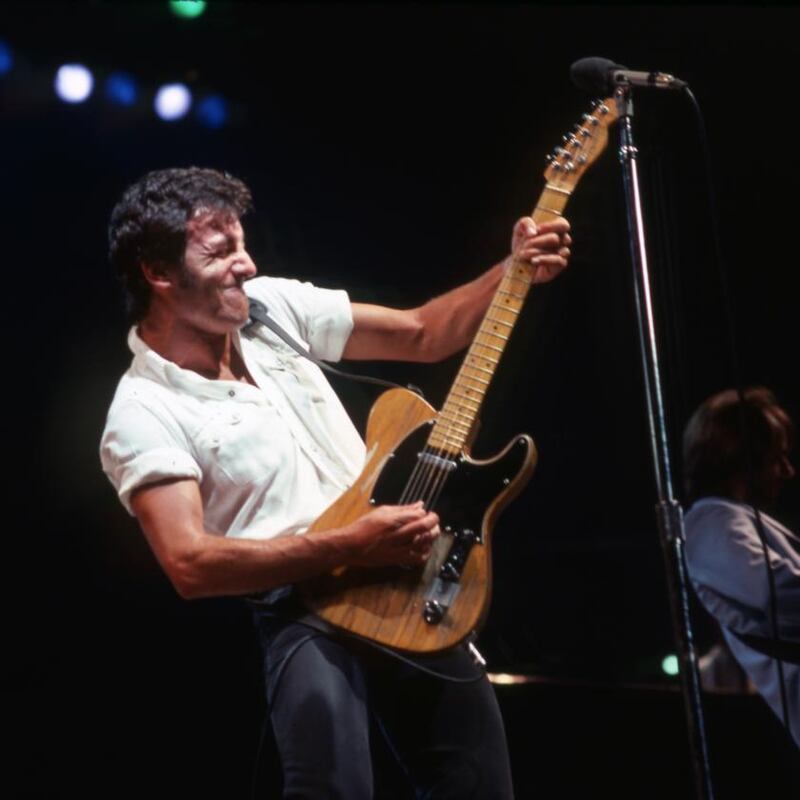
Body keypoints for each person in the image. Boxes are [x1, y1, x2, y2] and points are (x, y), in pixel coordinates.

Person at [100, 166, 572, 798]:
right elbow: (189, 564)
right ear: (157, 274)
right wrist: (350, 544)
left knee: (480, 784)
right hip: (302, 611)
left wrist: (512, 267)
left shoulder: (270, 307)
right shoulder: (142, 410)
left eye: (242, 244)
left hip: (402, 583)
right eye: (219, 254)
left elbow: (426, 334)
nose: (245, 265)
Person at [683, 386, 800, 747]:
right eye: (776, 457)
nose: (788, 471)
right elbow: (777, 596)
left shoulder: (728, 520)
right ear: (741, 457)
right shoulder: (711, 522)